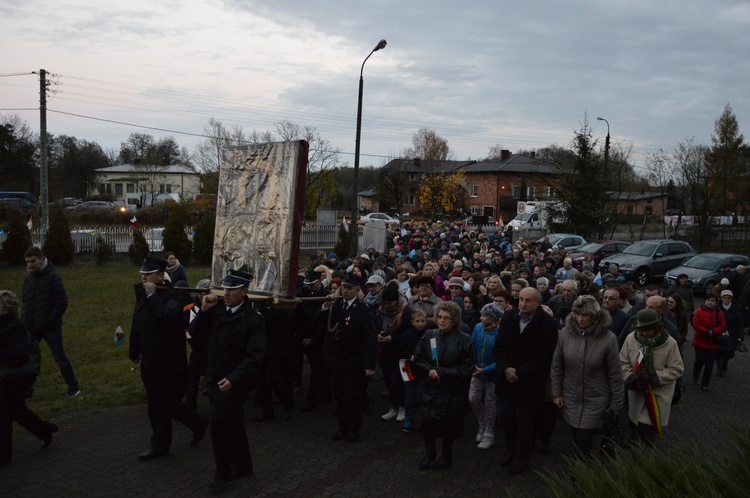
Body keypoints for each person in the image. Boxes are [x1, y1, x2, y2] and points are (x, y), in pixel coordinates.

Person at [191, 269, 266, 488]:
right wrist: (203, 310)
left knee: (218, 425)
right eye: (225, 288)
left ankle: (222, 472)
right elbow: (195, 334)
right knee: (235, 423)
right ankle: (244, 466)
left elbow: (256, 355)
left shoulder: (253, 320)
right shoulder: (217, 311)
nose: (226, 293)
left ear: (243, 291)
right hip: (214, 377)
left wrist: (234, 379)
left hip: (234, 382)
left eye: (232, 289)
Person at [129, 257, 209, 462]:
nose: (143, 277)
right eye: (142, 274)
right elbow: (137, 323)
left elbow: (167, 317)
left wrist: (152, 297)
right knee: (154, 405)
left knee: (170, 404)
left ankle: (198, 423)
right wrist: (134, 350)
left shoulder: (174, 295)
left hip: (169, 361)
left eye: (148, 274)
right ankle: (160, 445)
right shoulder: (143, 296)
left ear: (159, 275)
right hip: (149, 359)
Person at [493, 287, 558, 475]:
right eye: (521, 299)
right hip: (507, 381)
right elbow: (498, 347)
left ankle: (522, 459)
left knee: (525, 424)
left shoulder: (548, 324)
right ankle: (510, 451)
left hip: (529, 384)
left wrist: (519, 372)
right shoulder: (509, 317)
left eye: (528, 300)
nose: (523, 303)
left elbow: (545, 357)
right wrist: (506, 368)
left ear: (538, 303)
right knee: (507, 419)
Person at [550, 296, 623, 458]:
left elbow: (615, 374)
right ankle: (584, 469)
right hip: (570, 397)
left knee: (583, 442)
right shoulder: (565, 334)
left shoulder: (608, 338)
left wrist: (615, 405)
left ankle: (581, 476)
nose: (580, 319)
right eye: (577, 314)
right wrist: (556, 393)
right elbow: (557, 365)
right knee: (578, 439)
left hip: (595, 400)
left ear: (595, 316)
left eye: (585, 315)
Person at [413, 301, 475, 470]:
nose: (441, 320)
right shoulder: (429, 335)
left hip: (452, 391)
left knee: (449, 427)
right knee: (428, 425)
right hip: (430, 389)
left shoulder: (465, 340)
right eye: (439, 317)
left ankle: (446, 454)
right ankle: (430, 453)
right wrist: (428, 370)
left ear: (454, 320)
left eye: (446, 318)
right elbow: (418, 357)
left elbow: (467, 368)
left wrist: (443, 372)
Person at [1, 290, 59, 466]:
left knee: (3, 415)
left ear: (6, 307)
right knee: (17, 411)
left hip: (13, 379)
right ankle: (44, 430)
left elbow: (19, 354)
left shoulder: (13, 327)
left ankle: (4, 456)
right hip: (6, 377)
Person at [322, 273, 378, 443]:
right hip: (337, 360)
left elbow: (370, 339)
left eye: (348, 288)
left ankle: (354, 427)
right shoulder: (337, 306)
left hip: (354, 361)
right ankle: (343, 427)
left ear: (356, 290)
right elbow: (327, 327)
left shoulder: (363, 310)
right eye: (343, 288)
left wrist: (369, 365)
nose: (345, 291)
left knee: (350, 396)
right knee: (338, 395)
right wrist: (326, 305)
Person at [21, 247, 80, 397]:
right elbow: (26, 303)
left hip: (50, 327)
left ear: (41, 260)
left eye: (33, 261)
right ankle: (26, 390)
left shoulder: (53, 277)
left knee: (59, 356)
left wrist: (49, 320)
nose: (30, 265)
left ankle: (73, 387)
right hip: (30, 326)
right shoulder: (28, 281)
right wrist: (25, 322)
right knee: (27, 358)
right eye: (27, 262)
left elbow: (61, 302)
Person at [620, 309, 684, 445]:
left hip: (657, 397)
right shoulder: (631, 338)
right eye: (641, 329)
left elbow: (677, 369)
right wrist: (631, 378)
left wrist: (654, 377)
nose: (643, 333)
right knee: (635, 428)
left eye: (647, 330)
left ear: (657, 328)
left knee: (646, 432)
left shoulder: (670, 343)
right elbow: (622, 362)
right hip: (636, 395)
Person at [293, 270, 331, 413]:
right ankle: (326, 394)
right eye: (308, 284)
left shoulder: (325, 295)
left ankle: (312, 399)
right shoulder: (303, 293)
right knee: (317, 368)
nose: (310, 287)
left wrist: (313, 339)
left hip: (319, 338)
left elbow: (324, 322)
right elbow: (298, 318)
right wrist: (303, 337)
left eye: (313, 284)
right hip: (304, 335)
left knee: (317, 369)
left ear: (319, 282)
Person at [469, 303, 503, 450]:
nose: (480, 317)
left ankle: (489, 433)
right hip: (477, 371)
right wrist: (474, 366)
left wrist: (486, 370)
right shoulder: (478, 327)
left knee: (490, 404)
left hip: (493, 375)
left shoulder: (501, 333)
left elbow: (502, 357)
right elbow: (471, 347)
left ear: (492, 319)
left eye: (483, 315)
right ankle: (482, 422)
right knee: (473, 398)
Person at [377, 281, 412, 423]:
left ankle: (403, 407)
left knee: (400, 380)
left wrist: (394, 338)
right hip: (386, 350)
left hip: (402, 352)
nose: (386, 306)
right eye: (384, 303)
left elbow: (410, 333)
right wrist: (378, 335)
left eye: (389, 303)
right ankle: (393, 407)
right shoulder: (381, 311)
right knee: (390, 379)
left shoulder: (406, 311)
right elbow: (376, 325)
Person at [399, 309, 429, 433]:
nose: (420, 324)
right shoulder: (407, 334)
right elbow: (401, 351)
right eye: (417, 321)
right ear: (412, 322)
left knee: (422, 396)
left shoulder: (429, 334)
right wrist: (410, 355)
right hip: (408, 367)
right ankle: (409, 419)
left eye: (422, 321)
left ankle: (424, 420)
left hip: (423, 369)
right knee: (409, 396)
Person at [691, 295, 726, 391]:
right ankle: (695, 376)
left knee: (710, 364)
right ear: (705, 301)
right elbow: (695, 325)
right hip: (700, 341)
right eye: (708, 300)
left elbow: (723, 326)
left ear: (716, 302)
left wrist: (714, 332)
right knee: (699, 361)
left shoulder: (719, 313)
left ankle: (705, 384)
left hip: (713, 342)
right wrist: (706, 331)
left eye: (712, 300)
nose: (710, 302)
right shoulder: (699, 311)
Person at [716, 290, 744, 377]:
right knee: (719, 351)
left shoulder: (736, 309)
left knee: (730, 352)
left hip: (731, 333)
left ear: (731, 299)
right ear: (721, 299)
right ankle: (720, 368)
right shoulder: (717, 308)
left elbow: (739, 324)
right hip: (720, 333)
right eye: (724, 298)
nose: (726, 300)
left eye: (728, 298)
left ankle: (725, 362)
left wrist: (740, 338)